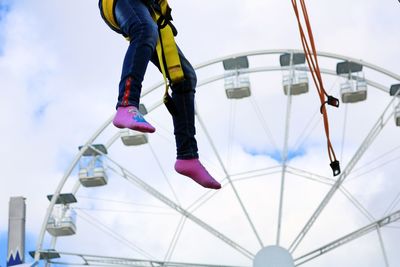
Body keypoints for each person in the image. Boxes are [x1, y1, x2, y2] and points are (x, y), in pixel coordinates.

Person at [98, 0, 221, 189]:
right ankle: (126, 104)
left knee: (184, 77)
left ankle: (188, 156)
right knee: (143, 29)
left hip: (152, 10)